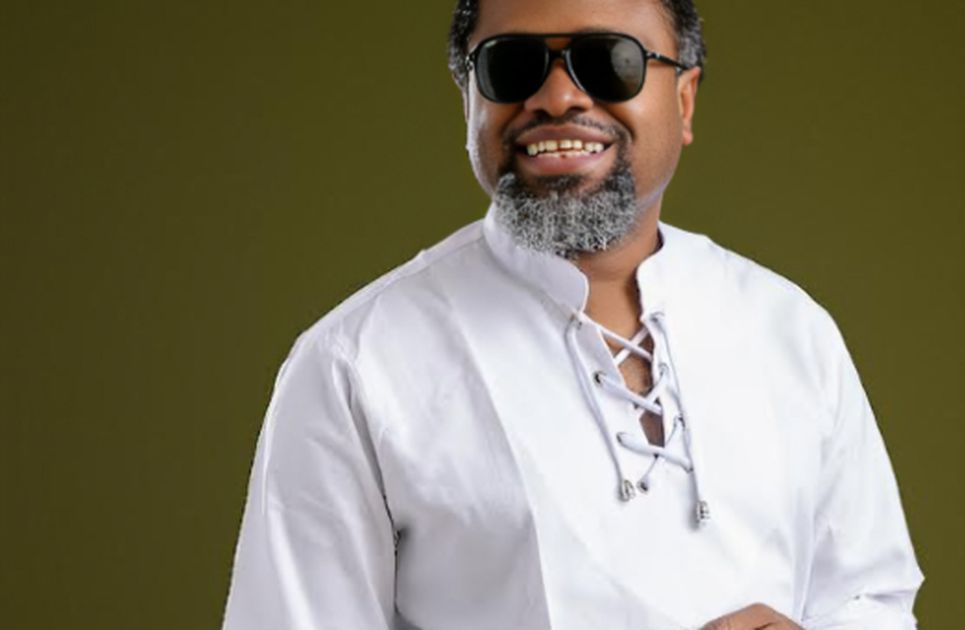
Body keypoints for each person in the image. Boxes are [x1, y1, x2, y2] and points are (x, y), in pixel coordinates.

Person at [221, 0, 924, 628]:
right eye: (511, 65)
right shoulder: (355, 365)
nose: (557, 97)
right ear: (468, 100)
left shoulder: (789, 329)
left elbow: (871, 600)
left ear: (684, 101)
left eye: (608, 59)